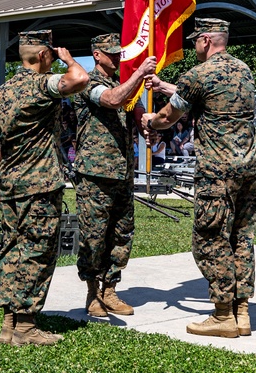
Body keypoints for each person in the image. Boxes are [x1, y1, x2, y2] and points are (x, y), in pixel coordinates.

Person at [143, 18, 256, 339]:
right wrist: (167, 86)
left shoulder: (198, 74)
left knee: (209, 237)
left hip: (217, 171)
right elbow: (204, 97)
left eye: (195, 40)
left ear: (206, 40)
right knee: (242, 238)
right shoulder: (243, 71)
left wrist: (150, 120)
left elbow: (170, 116)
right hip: (250, 168)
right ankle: (242, 311)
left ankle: (222, 313)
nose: (193, 46)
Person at [0, 30, 89, 347]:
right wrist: (68, 59)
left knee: (12, 248)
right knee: (37, 251)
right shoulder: (41, 85)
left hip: (11, 183)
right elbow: (80, 79)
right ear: (44, 55)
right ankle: (26, 327)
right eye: (51, 54)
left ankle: (9, 322)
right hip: (40, 184)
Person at [72, 33, 156, 319]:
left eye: (119, 53)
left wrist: (147, 124)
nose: (118, 57)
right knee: (94, 237)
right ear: (97, 55)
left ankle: (110, 289)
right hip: (95, 174)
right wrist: (139, 74)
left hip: (121, 171)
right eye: (111, 53)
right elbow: (111, 100)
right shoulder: (87, 82)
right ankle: (93, 292)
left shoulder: (123, 84)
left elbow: (133, 108)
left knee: (121, 234)